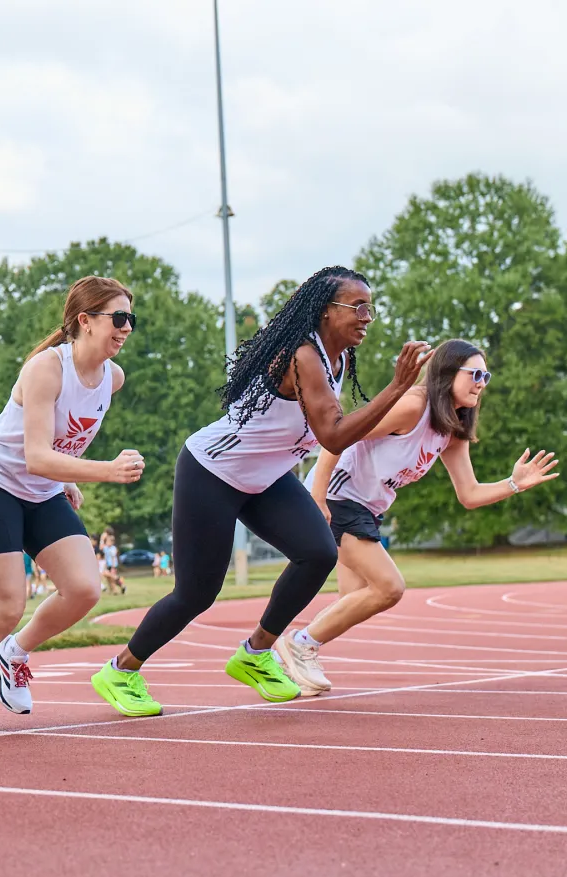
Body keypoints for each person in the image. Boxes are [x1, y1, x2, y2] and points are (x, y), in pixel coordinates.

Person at [93, 266, 430, 715]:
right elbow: (332, 435)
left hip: (266, 477)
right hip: (212, 471)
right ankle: (120, 670)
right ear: (327, 311)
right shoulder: (303, 355)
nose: (368, 317)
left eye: (371, 307)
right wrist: (398, 387)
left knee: (318, 552)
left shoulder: (340, 358)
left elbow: (334, 426)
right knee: (196, 593)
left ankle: (254, 654)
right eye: (359, 307)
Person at [0, 276, 143, 735]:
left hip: (41, 491)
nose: (126, 329)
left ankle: (13, 653)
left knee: (84, 589)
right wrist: (104, 471)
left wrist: (67, 476)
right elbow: (37, 454)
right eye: (118, 318)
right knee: (5, 608)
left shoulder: (113, 378)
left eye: (131, 320)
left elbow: (61, 445)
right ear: (85, 320)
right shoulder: (45, 368)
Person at [278, 338, 560, 694]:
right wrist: (317, 498)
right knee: (389, 587)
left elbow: (469, 494)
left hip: (367, 508)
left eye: (486, 376)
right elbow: (339, 438)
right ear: (445, 372)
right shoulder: (413, 405)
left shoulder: (450, 430)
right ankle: (299, 644)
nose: (481, 383)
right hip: (338, 498)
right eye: (474, 374)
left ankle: (292, 654)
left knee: (354, 598)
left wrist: (513, 484)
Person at [100, 531, 125, 596]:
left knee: (111, 577)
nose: (107, 542)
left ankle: (119, 583)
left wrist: (113, 567)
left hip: (112, 565)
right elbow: (101, 548)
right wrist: (102, 539)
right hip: (108, 565)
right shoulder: (106, 548)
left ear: (112, 542)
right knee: (109, 578)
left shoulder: (113, 548)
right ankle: (114, 590)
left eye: (108, 541)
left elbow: (113, 557)